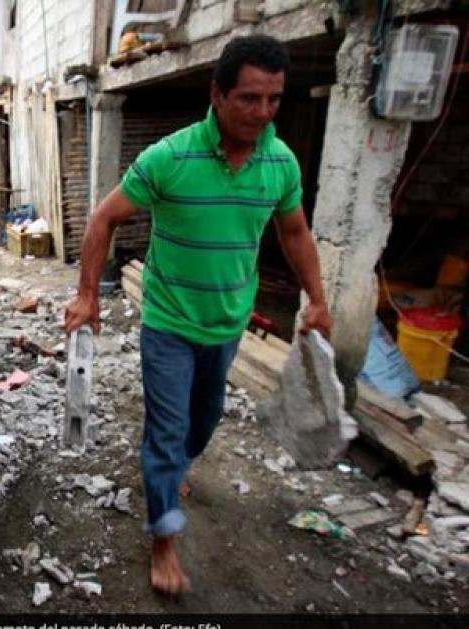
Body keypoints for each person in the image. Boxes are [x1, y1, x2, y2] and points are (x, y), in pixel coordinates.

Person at [64, 34, 331, 595]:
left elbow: (295, 232)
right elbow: (102, 219)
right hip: (167, 321)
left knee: (204, 419)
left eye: (274, 100)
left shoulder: (279, 163)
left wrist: (319, 300)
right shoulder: (170, 158)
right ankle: (163, 538)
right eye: (249, 99)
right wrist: (88, 295)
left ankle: (173, 472)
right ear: (217, 94)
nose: (263, 113)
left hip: (228, 324)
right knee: (167, 431)